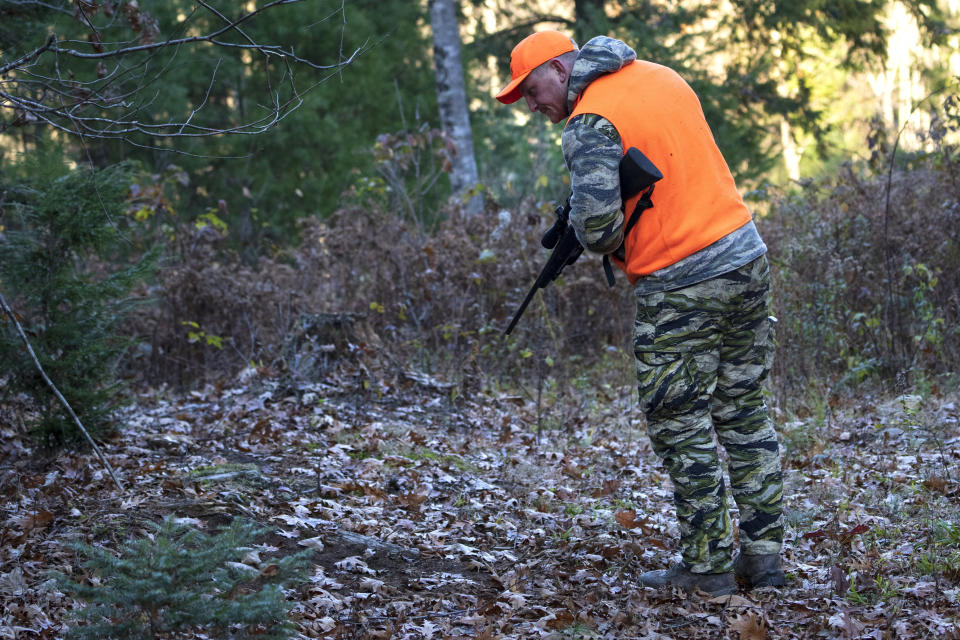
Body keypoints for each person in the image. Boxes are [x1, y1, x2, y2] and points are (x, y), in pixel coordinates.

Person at [497, 30, 786, 596]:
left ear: (559, 68)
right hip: (747, 257)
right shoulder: (661, 76)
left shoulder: (590, 123)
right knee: (745, 413)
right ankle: (766, 562)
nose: (532, 106)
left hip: (681, 279)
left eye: (531, 90)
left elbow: (602, 232)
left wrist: (583, 225)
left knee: (680, 423)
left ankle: (707, 570)